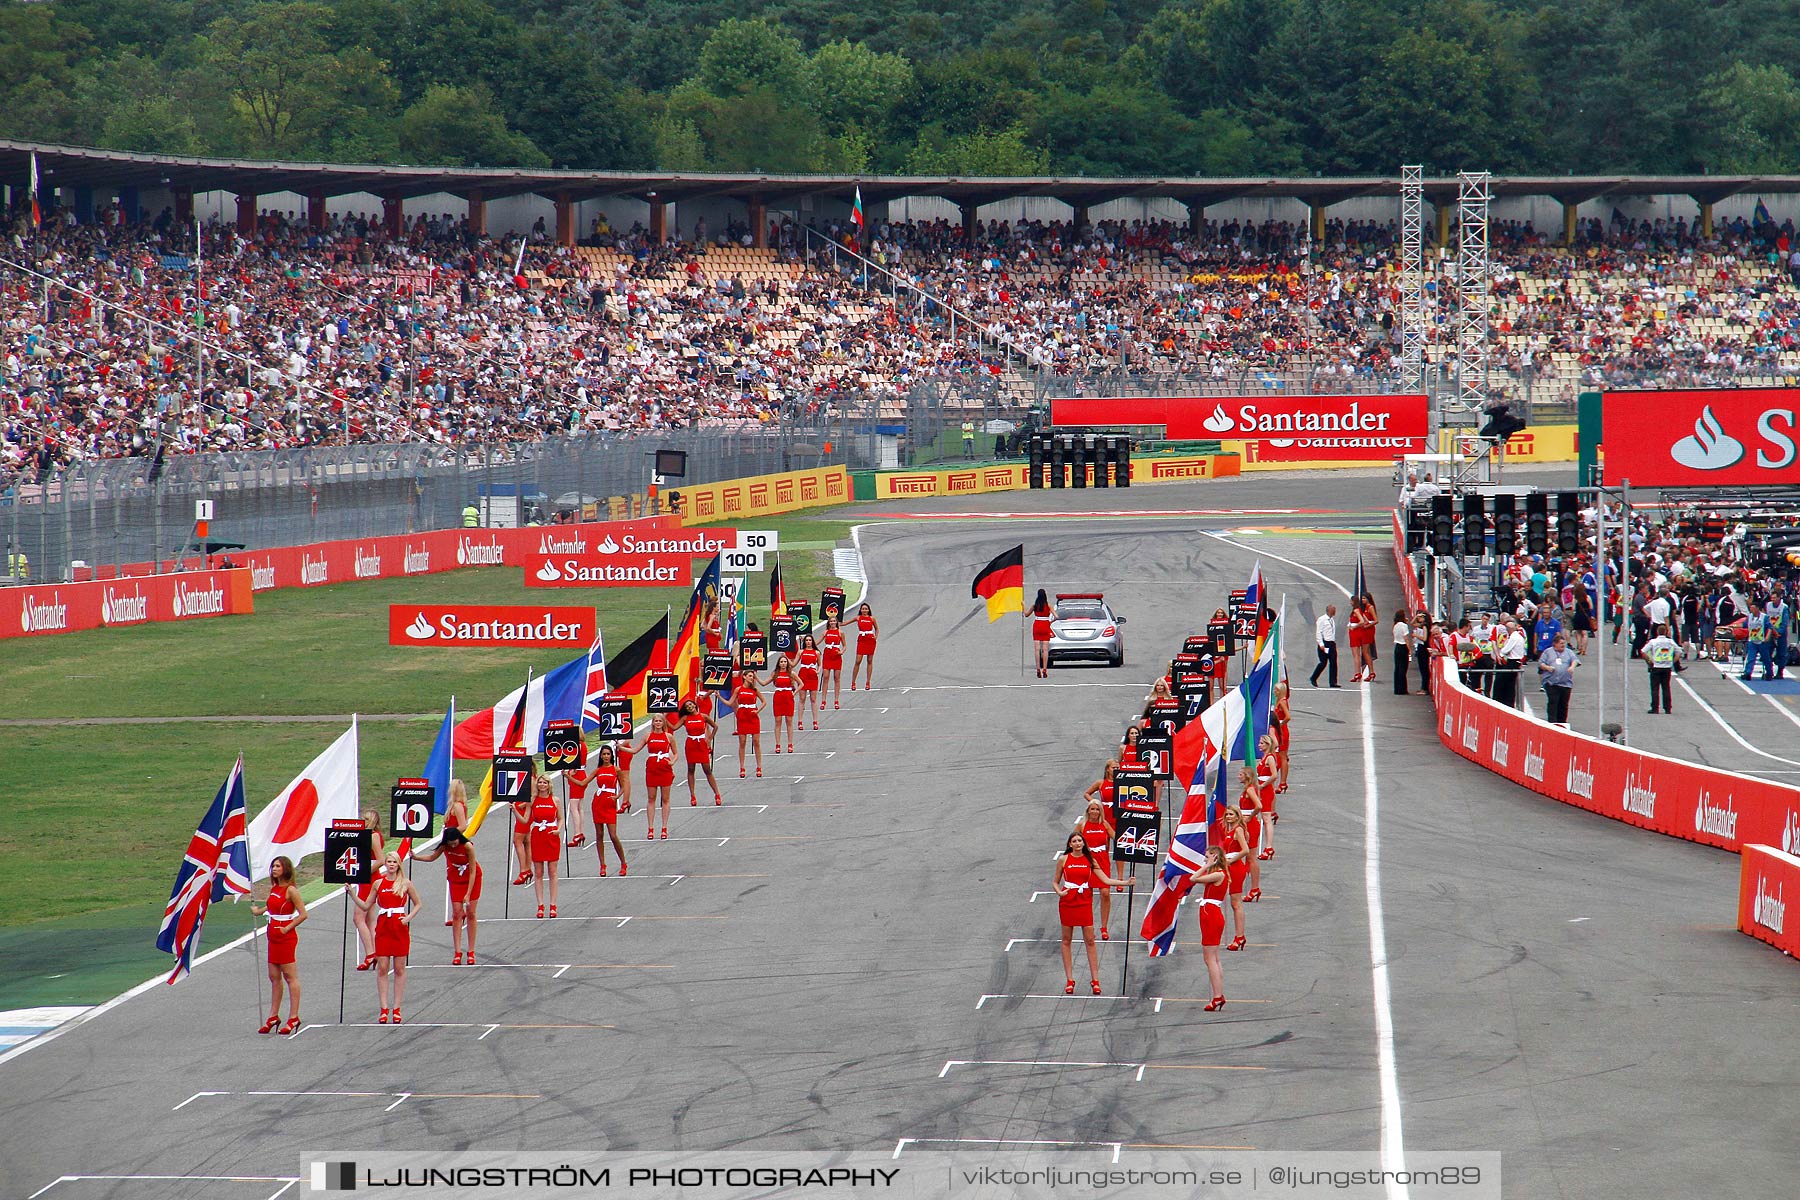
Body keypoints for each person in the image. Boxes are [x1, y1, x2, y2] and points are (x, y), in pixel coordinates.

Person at [1053, 830, 1128, 996]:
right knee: (1066, 939)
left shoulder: (1090, 860)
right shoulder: (1063, 859)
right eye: (1075, 841)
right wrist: (1060, 892)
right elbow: (1055, 881)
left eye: (1080, 841)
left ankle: (1095, 980)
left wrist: (1125, 882)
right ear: (1070, 844)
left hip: (1084, 900)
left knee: (1090, 940)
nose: (1078, 843)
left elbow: (1106, 880)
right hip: (1067, 901)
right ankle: (1070, 980)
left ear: (1083, 843)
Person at [356, 849, 420, 1024]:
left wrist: (407, 918)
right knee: (383, 967)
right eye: (388, 861)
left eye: (394, 862)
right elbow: (366, 904)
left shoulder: (405, 883)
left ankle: (397, 1008)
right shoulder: (378, 883)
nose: (391, 865)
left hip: (398, 926)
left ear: (398, 864)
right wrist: (352, 894)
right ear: (385, 864)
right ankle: (384, 1009)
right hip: (383, 926)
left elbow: (418, 903)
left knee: (399, 968)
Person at [252, 855, 308, 1034]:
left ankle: (294, 1017)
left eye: (277, 866)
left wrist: (287, 928)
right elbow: (271, 906)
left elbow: (303, 914)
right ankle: (273, 1016)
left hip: (285, 936)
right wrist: (259, 911)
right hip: (272, 935)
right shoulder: (274, 888)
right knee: (274, 976)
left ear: (285, 868)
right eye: (273, 866)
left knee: (290, 976)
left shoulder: (291, 890)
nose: (274, 869)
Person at [413, 827, 481, 963]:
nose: (453, 845)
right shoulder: (445, 846)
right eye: (450, 843)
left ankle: (471, 951)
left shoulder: (467, 846)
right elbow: (432, 857)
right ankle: (457, 952)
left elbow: (473, 871)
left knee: (471, 913)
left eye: (455, 842)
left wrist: (468, 893)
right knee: (456, 913)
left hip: (471, 878)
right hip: (455, 878)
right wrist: (416, 857)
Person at [1192, 847, 1234, 1012]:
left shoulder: (1219, 874)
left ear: (1215, 858)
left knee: (1210, 959)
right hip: (1210, 914)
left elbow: (1194, 878)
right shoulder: (1220, 873)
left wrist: (1207, 865)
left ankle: (1218, 996)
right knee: (1213, 958)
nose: (1205, 859)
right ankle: (1218, 994)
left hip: (1211, 915)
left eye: (1207, 857)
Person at [1076, 798, 1117, 938]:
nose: (1094, 811)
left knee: (1105, 892)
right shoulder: (1082, 825)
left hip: (1102, 862)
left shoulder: (1104, 825)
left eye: (1097, 809)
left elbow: (1116, 838)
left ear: (1101, 811)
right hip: (1086, 861)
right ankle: (1089, 926)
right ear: (1088, 810)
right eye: (1092, 809)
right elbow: (1072, 842)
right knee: (1087, 895)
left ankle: (1104, 927)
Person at [350, 809, 384, 970]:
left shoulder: (373, 836)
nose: (362, 820)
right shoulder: (367, 836)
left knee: (358, 918)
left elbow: (381, 860)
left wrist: (363, 871)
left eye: (365, 819)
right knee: (370, 919)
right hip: (366, 879)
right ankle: (375, 951)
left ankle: (370, 953)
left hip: (370, 879)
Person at [634, 714, 677, 840]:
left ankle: (664, 828)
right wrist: (620, 747)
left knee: (665, 799)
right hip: (652, 768)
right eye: (656, 721)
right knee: (651, 798)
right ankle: (651, 828)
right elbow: (636, 749)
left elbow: (676, 753)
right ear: (653, 723)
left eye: (660, 721)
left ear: (663, 723)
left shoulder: (668, 737)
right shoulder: (647, 736)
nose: (658, 723)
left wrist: (672, 761)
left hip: (665, 768)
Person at [587, 743, 628, 875]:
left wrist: (618, 796)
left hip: (609, 803)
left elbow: (623, 786)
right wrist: (567, 775)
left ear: (611, 756)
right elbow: (583, 782)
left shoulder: (616, 770)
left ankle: (623, 862)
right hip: (598, 803)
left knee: (613, 835)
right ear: (600, 756)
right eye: (603, 754)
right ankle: (602, 865)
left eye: (608, 754)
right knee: (599, 835)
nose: (606, 756)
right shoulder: (598, 770)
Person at [525, 775, 562, 918]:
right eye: (539, 782)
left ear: (549, 784)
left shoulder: (555, 800)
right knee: (538, 872)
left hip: (551, 836)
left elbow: (560, 818)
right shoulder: (533, 800)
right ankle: (540, 905)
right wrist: (515, 811)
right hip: (538, 836)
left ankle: (553, 905)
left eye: (544, 782)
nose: (541, 785)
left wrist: (558, 829)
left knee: (552, 871)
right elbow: (526, 819)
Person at [1219, 806, 1253, 952]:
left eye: (1231, 814)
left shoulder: (1238, 830)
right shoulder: (1230, 830)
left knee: (1236, 902)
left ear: (1237, 816)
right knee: (1234, 903)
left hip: (1236, 867)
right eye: (1226, 814)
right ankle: (1239, 936)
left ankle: (1240, 936)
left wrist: (1231, 861)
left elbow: (1245, 850)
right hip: (1230, 866)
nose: (1228, 816)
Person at [678, 697, 723, 807]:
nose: (690, 707)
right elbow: (674, 727)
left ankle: (717, 794)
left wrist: (709, 739)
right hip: (691, 744)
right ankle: (692, 796)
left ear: (694, 705)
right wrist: (664, 719)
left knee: (707, 769)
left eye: (691, 705)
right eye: (687, 706)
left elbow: (715, 726)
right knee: (691, 769)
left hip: (701, 743)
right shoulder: (685, 718)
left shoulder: (703, 716)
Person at [1537, 630, 1579, 725]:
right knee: (1553, 702)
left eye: (1564, 643)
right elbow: (1541, 663)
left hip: (1566, 683)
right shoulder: (1548, 652)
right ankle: (1552, 722)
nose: (1563, 645)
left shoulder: (1568, 652)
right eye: (1561, 643)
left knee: (1563, 704)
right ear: (1555, 644)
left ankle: (1562, 722)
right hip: (1552, 683)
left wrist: (1572, 667)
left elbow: (1575, 660)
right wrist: (1547, 667)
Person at [1236, 764, 1265, 900]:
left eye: (1241, 774)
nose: (1238, 776)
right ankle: (1252, 887)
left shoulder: (1250, 790)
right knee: (1249, 857)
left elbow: (1259, 805)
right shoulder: (1249, 789)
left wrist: (1250, 816)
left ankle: (1254, 887)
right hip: (1246, 822)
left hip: (1250, 824)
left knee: (1251, 857)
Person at [1643, 622, 1679, 714]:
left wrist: (1649, 661)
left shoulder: (1653, 642)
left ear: (1657, 632)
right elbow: (1679, 651)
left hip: (1656, 667)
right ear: (1666, 632)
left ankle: (1655, 707)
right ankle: (1667, 708)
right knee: (1666, 687)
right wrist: (1673, 661)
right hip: (1667, 667)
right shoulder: (1670, 642)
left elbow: (1643, 651)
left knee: (1655, 688)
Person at [768, 653, 798, 753]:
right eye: (781, 662)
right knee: (778, 721)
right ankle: (778, 744)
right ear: (778, 663)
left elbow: (801, 683)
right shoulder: (775, 673)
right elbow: (764, 683)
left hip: (788, 697)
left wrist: (794, 693)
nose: (783, 663)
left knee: (789, 721)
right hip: (778, 697)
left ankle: (790, 744)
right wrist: (755, 677)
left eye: (785, 661)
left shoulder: (791, 673)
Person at [795, 634, 822, 730]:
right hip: (803, 674)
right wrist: (785, 657)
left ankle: (815, 721)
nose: (808, 642)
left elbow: (819, 664)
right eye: (807, 640)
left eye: (810, 640)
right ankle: (800, 721)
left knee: (813, 699)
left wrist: (818, 671)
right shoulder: (801, 652)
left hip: (812, 675)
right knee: (802, 699)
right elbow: (794, 663)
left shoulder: (816, 652)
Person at [850, 602, 879, 690]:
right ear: (861, 610)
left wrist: (875, 637)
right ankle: (853, 682)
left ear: (868, 610)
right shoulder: (858, 618)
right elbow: (845, 623)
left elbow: (877, 628)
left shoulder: (872, 618)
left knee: (869, 660)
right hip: (862, 640)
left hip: (870, 640)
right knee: (858, 660)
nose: (864, 610)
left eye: (866, 609)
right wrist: (835, 622)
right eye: (863, 609)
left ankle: (868, 682)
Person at [819, 618, 846, 708]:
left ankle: (836, 700)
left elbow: (844, 645)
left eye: (834, 621)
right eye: (831, 621)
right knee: (826, 677)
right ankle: (823, 700)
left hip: (836, 655)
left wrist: (842, 651)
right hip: (827, 655)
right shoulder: (825, 632)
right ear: (829, 623)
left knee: (836, 677)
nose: (833, 623)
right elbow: (816, 642)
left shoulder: (840, 632)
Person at [1311, 604, 1339, 687]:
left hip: (1332, 643)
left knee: (1333, 663)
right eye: (1333, 610)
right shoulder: (1322, 619)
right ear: (1329, 610)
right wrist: (1321, 643)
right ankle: (1313, 677)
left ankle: (1333, 682)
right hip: (1325, 643)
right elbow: (1318, 632)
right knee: (1323, 663)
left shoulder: (1332, 620)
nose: (1334, 612)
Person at [1028, 589, 1054, 677]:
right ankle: (1045, 669)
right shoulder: (1048, 606)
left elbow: (1026, 614)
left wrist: (1023, 606)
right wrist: (1050, 621)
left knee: (1037, 649)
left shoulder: (1035, 606)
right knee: (1045, 650)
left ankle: (1038, 669)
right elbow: (1056, 616)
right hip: (1045, 625)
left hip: (1037, 625)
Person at [1348, 596, 1373, 682]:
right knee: (1357, 654)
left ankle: (1357, 673)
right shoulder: (1360, 610)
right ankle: (1358, 673)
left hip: (1355, 633)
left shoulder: (1356, 610)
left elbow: (1362, 621)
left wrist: (1354, 626)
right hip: (1359, 633)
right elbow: (1366, 621)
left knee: (1356, 654)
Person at [1391, 608, 1414, 695]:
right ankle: (1402, 688)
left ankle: (1397, 688)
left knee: (1397, 668)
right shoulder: (1404, 626)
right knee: (1403, 668)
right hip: (1403, 646)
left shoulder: (1395, 625)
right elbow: (1406, 638)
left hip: (1397, 646)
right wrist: (1409, 649)